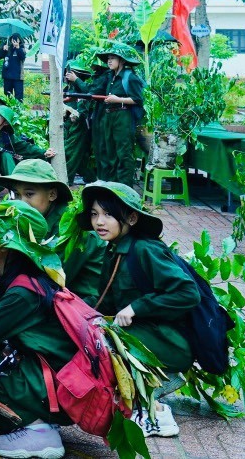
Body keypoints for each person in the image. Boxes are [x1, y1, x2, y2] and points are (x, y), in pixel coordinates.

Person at [0, 200, 75, 459]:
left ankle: (36, 428)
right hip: (41, 376)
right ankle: (33, 421)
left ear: (5, 245)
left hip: (52, 387)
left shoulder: (22, 292)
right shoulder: (14, 279)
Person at [82, 181, 198, 438]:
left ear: (132, 218)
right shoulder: (114, 249)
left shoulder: (145, 249)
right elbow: (107, 303)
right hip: (147, 333)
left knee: (105, 343)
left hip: (172, 340)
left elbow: (188, 293)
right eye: (94, 214)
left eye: (108, 214)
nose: (99, 221)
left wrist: (138, 306)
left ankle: (156, 412)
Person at [0, 159, 105, 303]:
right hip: (50, 298)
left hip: (79, 307)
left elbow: (48, 282)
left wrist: (2, 264)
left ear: (52, 195)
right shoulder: (31, 220)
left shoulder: (72, 227)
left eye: (29, 194)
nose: (21, 203)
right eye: (17, 195)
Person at [89, 44, 145, 188]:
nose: (109, 61)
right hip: (109, 116)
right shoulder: (110, 77)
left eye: (113, 58)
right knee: (110, 151)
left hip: (123, 116)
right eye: (108, 58)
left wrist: (117, 99)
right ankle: (112, 185)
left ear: (122, 60)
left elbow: (138, 100)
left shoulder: (130, 77)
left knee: (123, 152)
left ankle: (125, 186)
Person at [0, 103, 53, 178]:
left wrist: (44, 152)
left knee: (6, 155)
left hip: (4, 169)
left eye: (0, 115)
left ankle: (13, 183)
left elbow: (26, 147)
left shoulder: (8, 137)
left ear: (6, 123)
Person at [61, 60, 96, 185]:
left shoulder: (82, 87)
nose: (67, 75)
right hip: (68, 126)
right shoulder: (67, 88)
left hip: (79, 126)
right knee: (79, 160)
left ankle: (66, 180)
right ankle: (91, 177)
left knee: (70, 154)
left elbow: (87, 99)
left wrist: (76, 79)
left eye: (71, 73)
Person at [0, 34, 27, 101]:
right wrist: (3, 49)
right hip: (7, 76)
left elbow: (22, 57)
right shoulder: (8, 48)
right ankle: (8, 110)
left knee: (19, 97)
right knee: (8, 96)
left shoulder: (22, 49)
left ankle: (18, 110)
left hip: (18, 77)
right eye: (13, 39)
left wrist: (17, 47)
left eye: (16, 40)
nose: (14, 41)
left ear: (19, 40)